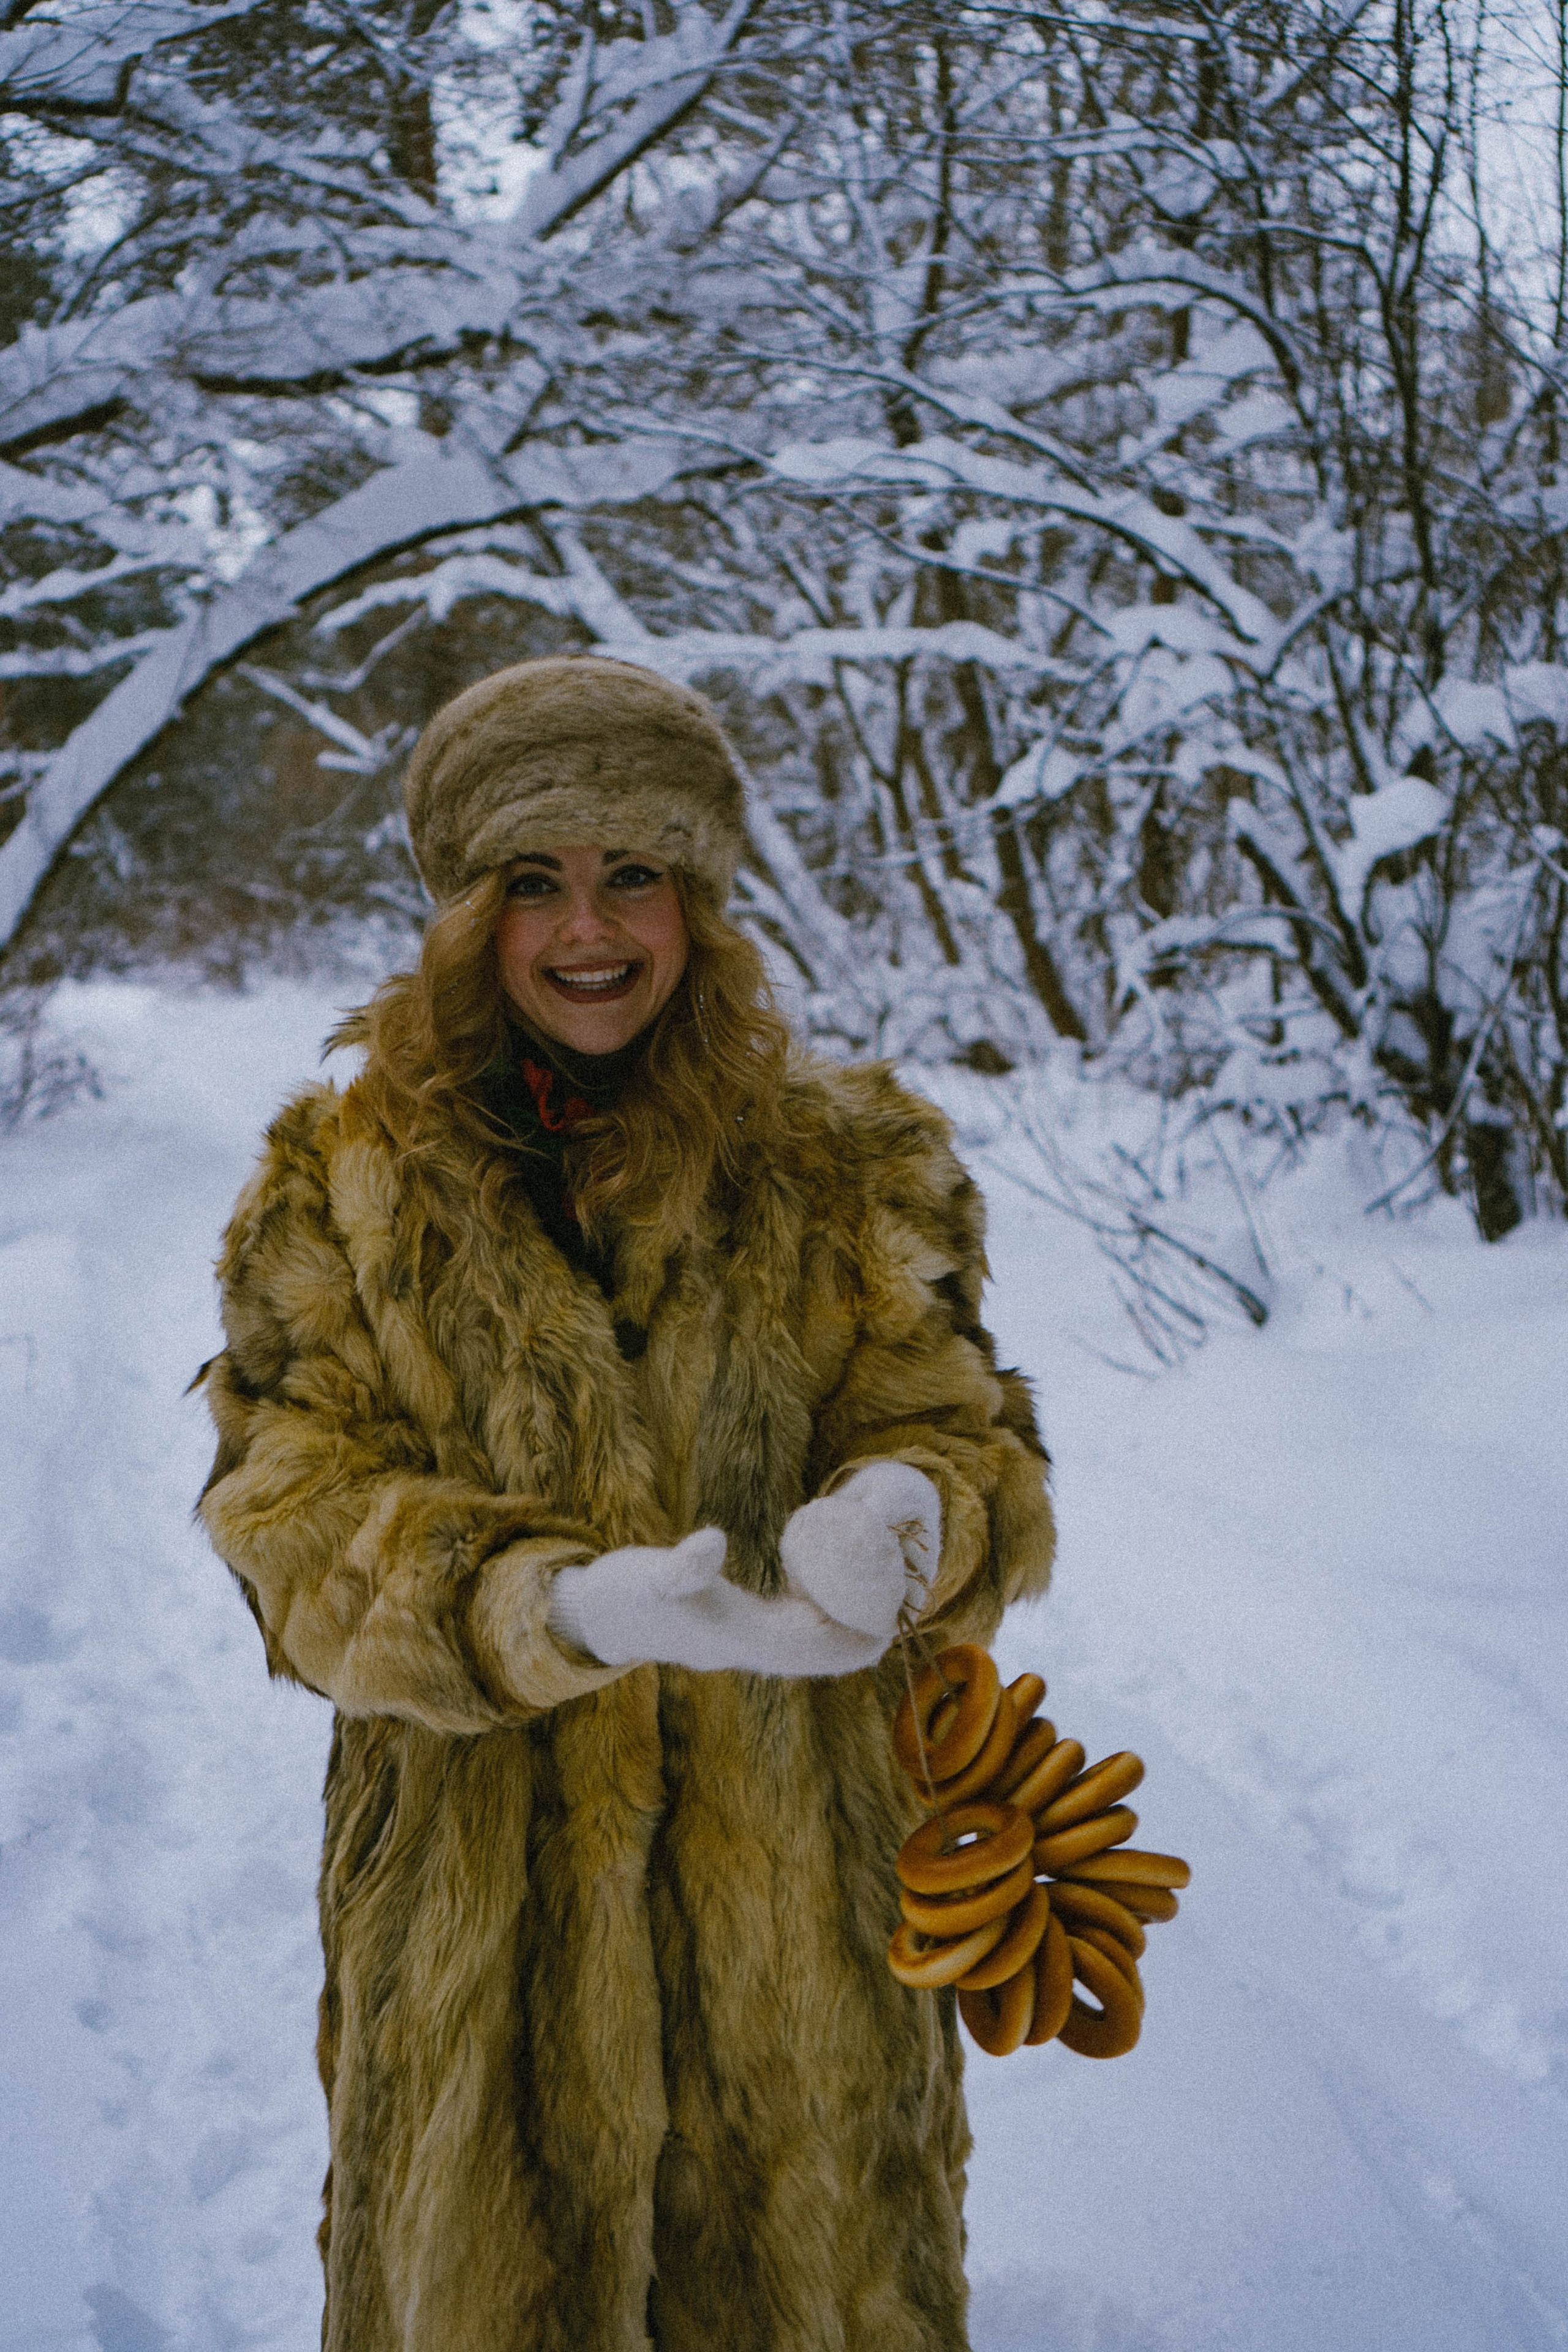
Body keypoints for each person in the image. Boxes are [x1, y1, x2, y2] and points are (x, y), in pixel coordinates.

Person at [197, 654, 1055, 2352]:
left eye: (633, 873)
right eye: (534, 881)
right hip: (474, 1933)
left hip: (802, 1935)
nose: (589, 928)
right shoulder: (341, 1181)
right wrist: (550, 1609)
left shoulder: (855, 1159)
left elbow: (974, 1447)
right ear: (465, 909)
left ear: (702, 896)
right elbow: (287, 1523)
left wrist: (909, 1509)